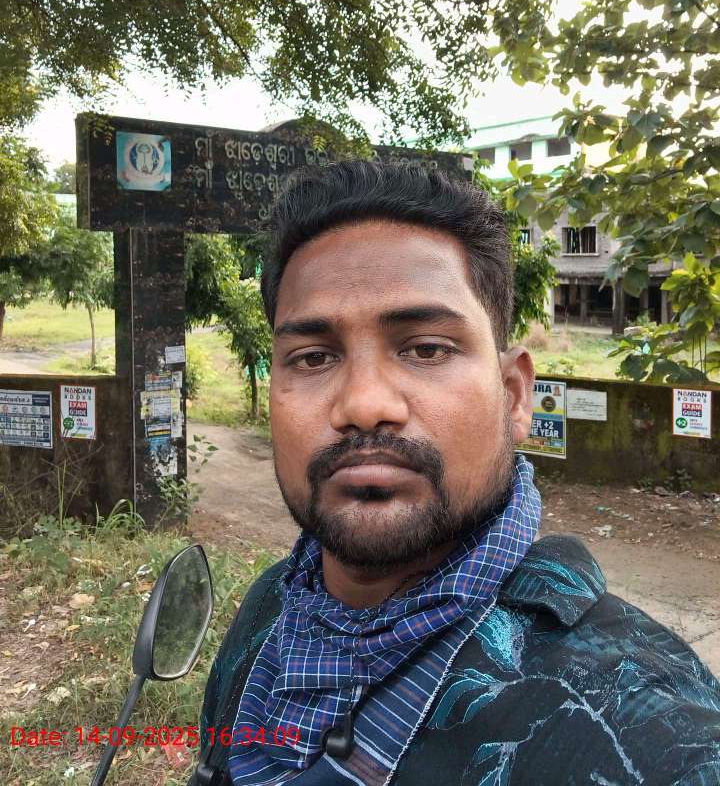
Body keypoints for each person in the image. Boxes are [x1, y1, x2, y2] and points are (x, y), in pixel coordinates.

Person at [193, 160, 720, 786]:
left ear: (514, 396)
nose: (364, 404)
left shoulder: (648, 737)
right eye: (312, 358)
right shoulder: (270, 609)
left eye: (425, 349)